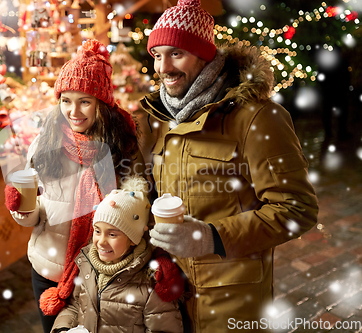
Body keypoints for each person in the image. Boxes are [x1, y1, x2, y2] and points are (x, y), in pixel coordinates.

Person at [134, 0, 319, 331]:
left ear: (204, 54)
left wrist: (211, 237)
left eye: (176, 53)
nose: (164, 67)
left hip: (230, 304)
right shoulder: (157, 117)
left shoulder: (258, 118)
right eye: (157, 55)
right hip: (169, 299)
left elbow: (297, 209)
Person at [5, 40, 145, 333]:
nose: (74, 111)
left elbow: (137, 204)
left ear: (101, 104)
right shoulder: (44, 146)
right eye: (66, 100)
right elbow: (37, 215)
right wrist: (22, 207)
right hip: (50, 270)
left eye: (84, 101)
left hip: (104, 273)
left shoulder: (122, 147)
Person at [51, 176, 184, 333]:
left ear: (133, 239)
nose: (101, 241)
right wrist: (63, 329)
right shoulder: (86, 266)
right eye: (97, 231)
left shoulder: (150, 282)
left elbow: (164, 329)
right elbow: (74, 306)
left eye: (112, 235)